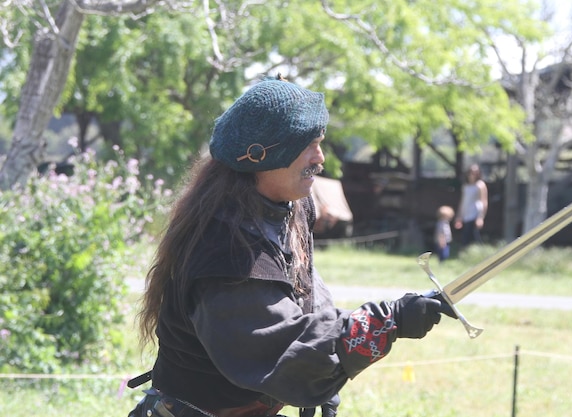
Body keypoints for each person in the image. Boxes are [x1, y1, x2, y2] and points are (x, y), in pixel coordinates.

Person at [126, 75, 456, 417]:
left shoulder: (290, 206)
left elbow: (307, 290)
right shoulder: (224, 248)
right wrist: (387, 321)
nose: (320, 157)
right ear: (262, 156)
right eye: (307, 145)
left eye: (320, 142)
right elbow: (281, 346)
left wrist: (327, 383)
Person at [454, 164, 488, 246]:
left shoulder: (480, 185)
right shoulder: (465, 186)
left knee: (474, 237)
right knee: (465, 237)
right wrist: (459, 216)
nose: (473, 175)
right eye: (471, 172)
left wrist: (481, 217)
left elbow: (484, 201)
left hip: (475, 214)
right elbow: (463, 201)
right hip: (466, 214)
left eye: (476, 173)